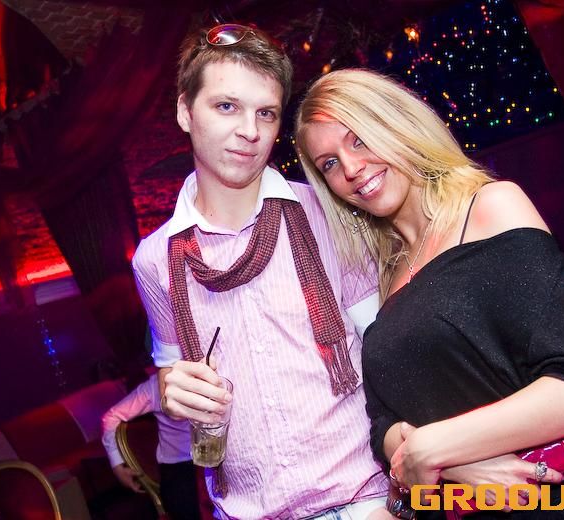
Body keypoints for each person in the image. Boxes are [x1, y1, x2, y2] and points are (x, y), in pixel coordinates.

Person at [295, 68, 564, 517]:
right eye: (329, 164)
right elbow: (383, 421)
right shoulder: (385, 269)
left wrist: (436, 447)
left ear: (397, 125)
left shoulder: (490, 208)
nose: (351, 169)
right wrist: (453, 462)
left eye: (359, 139)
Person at [132, 25, 392, 519]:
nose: (250, 131)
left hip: (366, 497)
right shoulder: (154, 260)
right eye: (226, 106)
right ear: (185, 111)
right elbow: (172, 372)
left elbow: (386, 345)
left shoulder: (328, 211)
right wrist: (172, 390)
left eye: (266, 113)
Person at [101, 373, 200, 520]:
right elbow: (111, 417)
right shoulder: (157, 385)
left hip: (216, 464)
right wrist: (117, 465)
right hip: (181, 474)